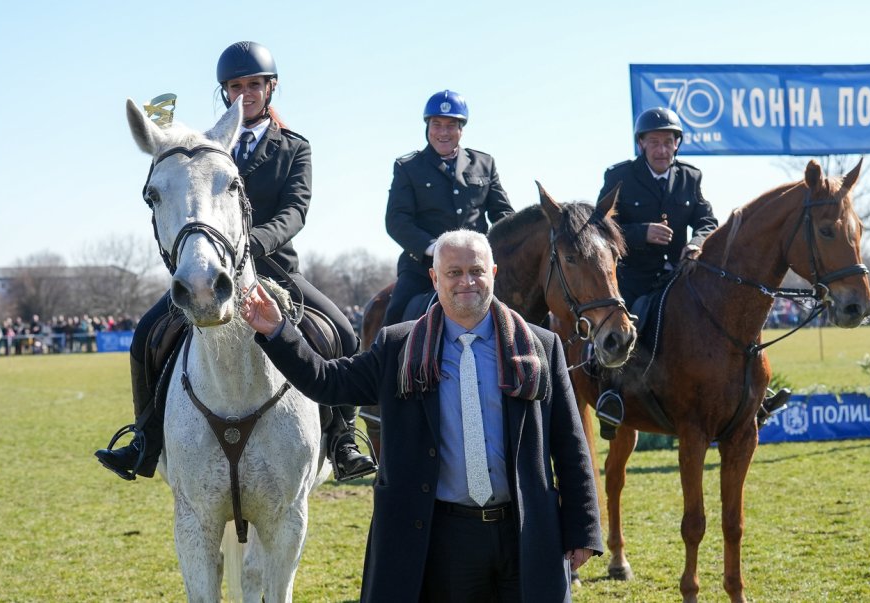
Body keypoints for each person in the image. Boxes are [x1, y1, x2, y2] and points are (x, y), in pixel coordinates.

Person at [243, 229, 603, 602]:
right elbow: (327, 382)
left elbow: (570, 444)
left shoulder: (541, 346)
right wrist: (278, 331)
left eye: (476, 271)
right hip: (443, 539)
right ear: (435, 278)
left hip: (526, 534)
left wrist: (583, 528)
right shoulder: (399, 346)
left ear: (494, 273)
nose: (467, 281)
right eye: (454, 272)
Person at [95, 40, 375, 482]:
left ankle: (341, 440)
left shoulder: (294, 148)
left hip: (274, 264)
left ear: (271, 87)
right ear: (224, 92)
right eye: (235, 86)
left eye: (254, 84)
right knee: (146, 335)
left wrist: (254, 244)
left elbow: (295, 211)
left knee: (341, 331)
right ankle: (145, 439)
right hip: (211, 267)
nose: (245, 93)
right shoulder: (203, 146)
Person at [595, 107, 786, 429]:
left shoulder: (690, 177)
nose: (662, 149)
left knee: (720, 316)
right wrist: (641, 233)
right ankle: (611, 396)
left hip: (679, 274)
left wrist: (696, 242)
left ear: (677, 145)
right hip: (634, 277)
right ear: (641, 144)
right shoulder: (620, 176)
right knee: (625, 328)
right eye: (654, 142)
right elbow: (599, 226)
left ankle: (752, 396)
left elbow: (707, 220)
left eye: (668, 142)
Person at [382, 89, 515, 327]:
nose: (443, 132)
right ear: (427, 127)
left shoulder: (484, 164)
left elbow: (504, 216)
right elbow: (396, 220)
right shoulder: (408, 167)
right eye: (437, 124)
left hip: (478, 267)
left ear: (461, 129)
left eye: (451, 125)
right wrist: (435, 248)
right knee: (395, 316)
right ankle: (386, 364)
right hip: (423, 268)